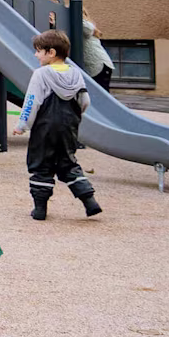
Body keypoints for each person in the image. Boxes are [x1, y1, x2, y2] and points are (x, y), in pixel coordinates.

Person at [12, 30, 101, 221]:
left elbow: (31, 102)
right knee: (68, 163)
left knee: (40, 164)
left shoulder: (41, 74)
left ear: (51, 53)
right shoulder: (76, 73)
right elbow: (85, 101)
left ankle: (40, 209)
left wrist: (22, 125)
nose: (36, 55)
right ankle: (89, 201)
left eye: (38, 51)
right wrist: (75, 116)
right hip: (69, 127)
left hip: (45, 128)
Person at [79, 9, 115, 91]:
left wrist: (77, 16)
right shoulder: (88, 25)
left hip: (99, 65)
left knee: (101, 94)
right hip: (98, 65)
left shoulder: (84, 25)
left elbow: (87, 30)